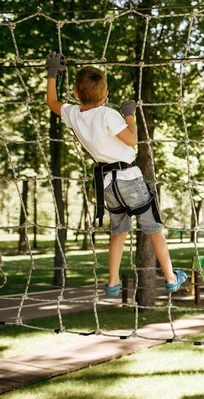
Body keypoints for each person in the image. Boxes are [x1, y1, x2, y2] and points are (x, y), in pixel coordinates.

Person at [44, 52, 187, 296]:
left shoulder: (74, 114)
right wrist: (129, 115)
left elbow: (52, 102)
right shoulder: (108, 114)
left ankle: (112, 282)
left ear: (77, 94)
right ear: (106, 94)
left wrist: (51, 74)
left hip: (106, 184)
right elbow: (132, 141)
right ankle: (172, 278)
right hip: (129, 178)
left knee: (118, 232)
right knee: (153, 228)